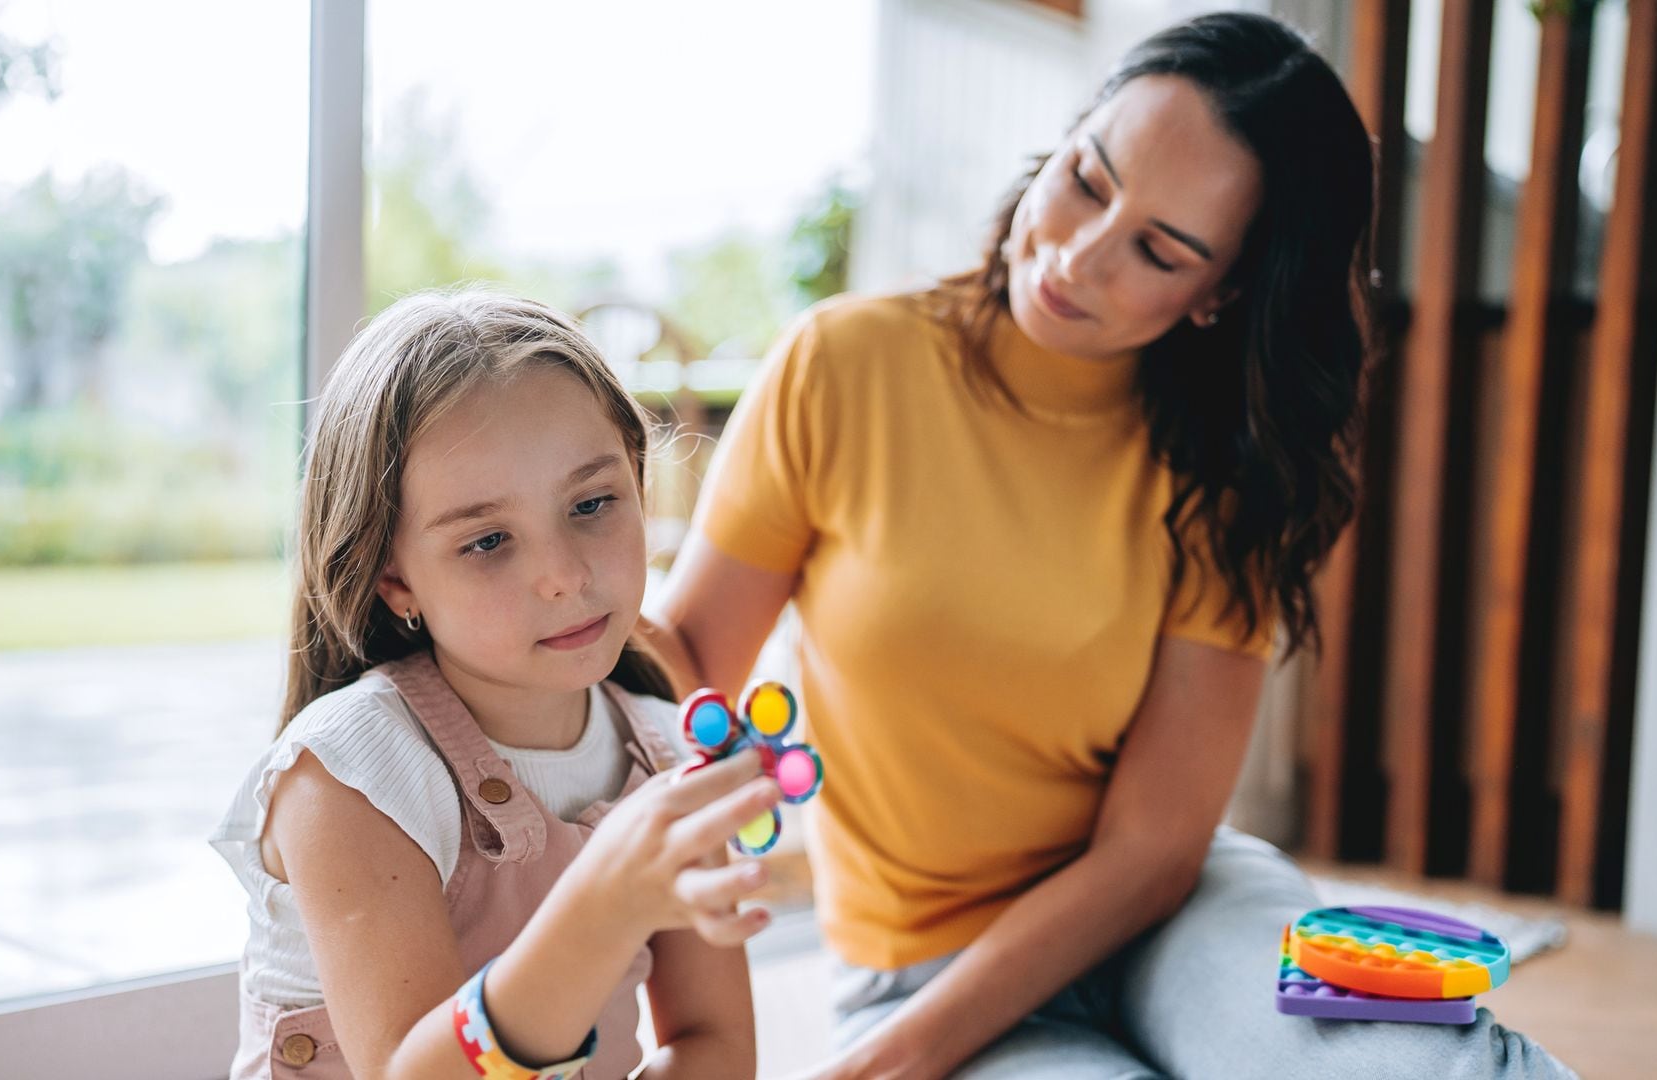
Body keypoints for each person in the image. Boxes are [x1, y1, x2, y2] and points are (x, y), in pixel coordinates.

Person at [650, 12, 1576, 1079]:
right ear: (1070, 135)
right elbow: (684, 662)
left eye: (1159, 249)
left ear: (1219, 294)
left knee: (1410, 1065)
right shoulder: (843, 367)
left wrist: (877, 1073)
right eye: (1089, 180)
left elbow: (1151, 854)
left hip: (1174, 913)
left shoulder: (1225, 471)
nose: (1079, 255)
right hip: (924, 971)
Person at [211, 289, 776, 1079]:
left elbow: (714, 1045)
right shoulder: (348, 775)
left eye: (592, 503)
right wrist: (604, 906)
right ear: (394, 581)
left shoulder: (665, 749)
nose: (564, 573)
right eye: (486, 542)